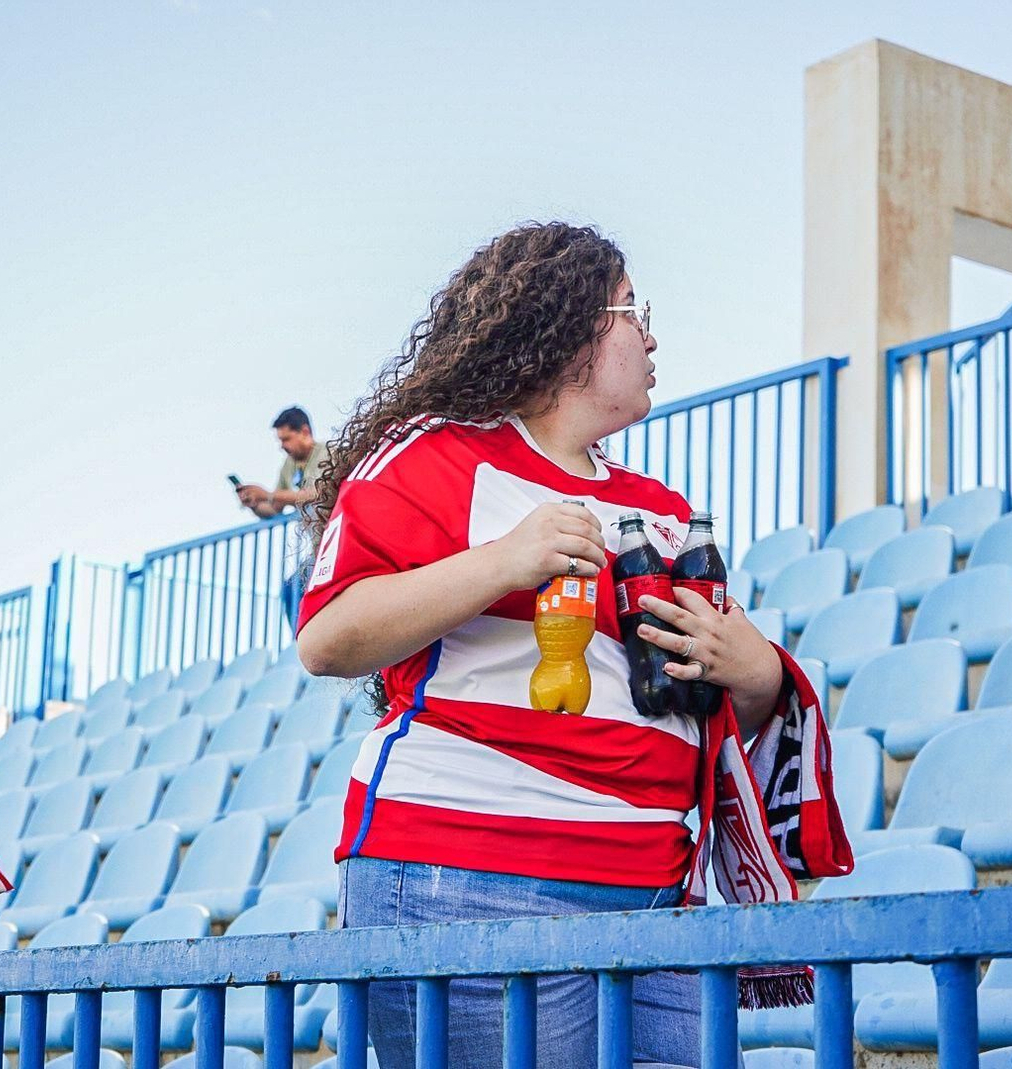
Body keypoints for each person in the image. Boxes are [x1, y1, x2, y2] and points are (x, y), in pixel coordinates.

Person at [295, 223, 803, 1069]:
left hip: (655, 893)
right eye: (633, 309)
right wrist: (506, 559)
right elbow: (329, 636)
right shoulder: (436, 454)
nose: (651, 333)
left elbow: (726, 706)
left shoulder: (664, 508)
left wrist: (755, 671)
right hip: (467, 877)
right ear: (566, 324)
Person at [235, 406, 328, 623]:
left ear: (304, 432)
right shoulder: (289, 465)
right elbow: (274, 509)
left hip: (335, 539)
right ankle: (301, 645)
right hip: (317, 546)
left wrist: (268, 494)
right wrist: (254, 503)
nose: (282, 446)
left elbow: (316, 493)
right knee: (291, 589)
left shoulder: (325, 453)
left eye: (286, 439)